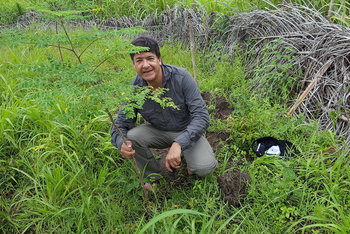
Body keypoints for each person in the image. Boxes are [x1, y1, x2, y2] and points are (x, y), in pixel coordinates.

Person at [111, 36, 217, 189]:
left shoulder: (181, 78)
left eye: (150, 58)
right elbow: (120, 123)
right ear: (134, 65)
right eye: (139, 60)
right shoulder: (135, 89)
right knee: (131, 137)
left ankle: (189, 158)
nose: (145, 65)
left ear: (159, 60)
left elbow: (202, 117)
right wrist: (121, 144)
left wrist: (179, 143)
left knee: (204, 167)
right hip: (159, 130)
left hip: (186, 129)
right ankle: (153, 176)